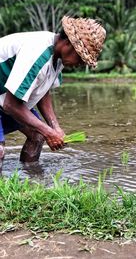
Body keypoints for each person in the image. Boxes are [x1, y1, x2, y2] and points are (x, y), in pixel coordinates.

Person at [0, 16, 106, 170]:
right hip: (7, 102)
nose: (79, 64)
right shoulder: (37, 53)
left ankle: (30, 180)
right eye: (80, 57)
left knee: (37, 136)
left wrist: (54, 127)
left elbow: (43, 91)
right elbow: (11, 105)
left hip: (4, 99)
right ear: (68, 43)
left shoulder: (57, 58)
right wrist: (48, 131)